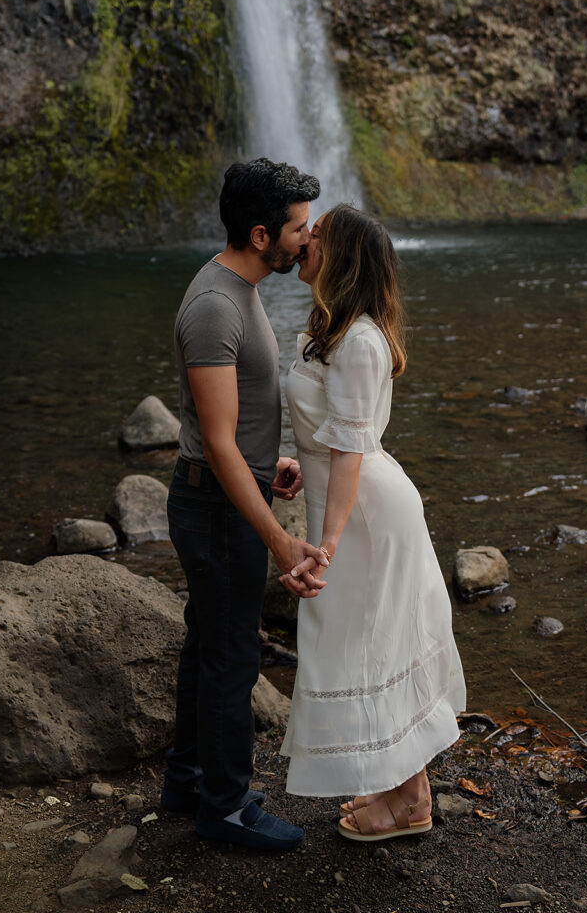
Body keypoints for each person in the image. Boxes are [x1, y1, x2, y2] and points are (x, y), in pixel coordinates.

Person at [279, 204, 466, 841]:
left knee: (374, 645)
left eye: (318, 235)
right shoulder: (329, 330)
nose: (305, 240)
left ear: (343, 256)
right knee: (365, 645)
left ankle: (407, 797)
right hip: (344, 498)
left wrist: (326, 541)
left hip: (364, 515)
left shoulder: (359, 340)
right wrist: (301, 462)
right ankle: (407, 794)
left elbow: (354, 449)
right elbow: (334, 434)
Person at [161, 158, 329, 852]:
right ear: (261, 234)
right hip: (218, 509)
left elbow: (229, 433)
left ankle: (188, 780)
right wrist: (283, 542)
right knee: (232, 660)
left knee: (208, 647)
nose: (307, 239)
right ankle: (224, 809)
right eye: (297, 228)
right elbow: (220, 446)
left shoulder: (238, 287)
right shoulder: (214, 306)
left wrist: (275, 462)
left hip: (224, 497)